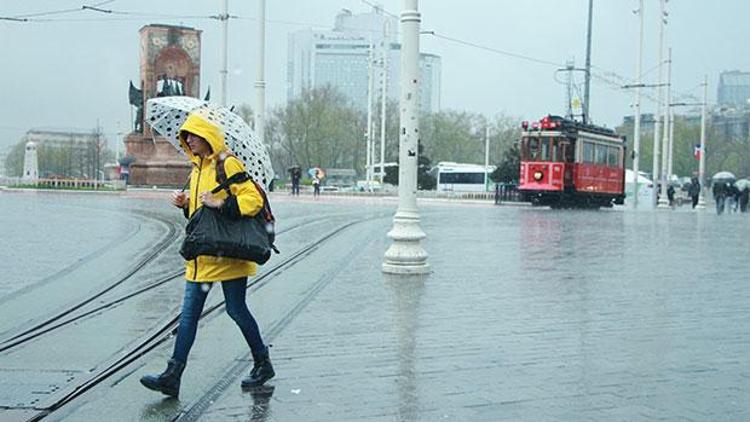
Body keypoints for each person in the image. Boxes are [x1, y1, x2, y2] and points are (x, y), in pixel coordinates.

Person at [140, 111, 274, 398]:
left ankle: (262, 363)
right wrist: (184, 203)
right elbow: (199, 213)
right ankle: (172, 376)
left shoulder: (227, 163)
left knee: (236, 311)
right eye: (185, 136)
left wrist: (219, 201)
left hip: (227, 255)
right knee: (189, 317)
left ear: (206, 136)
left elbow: (252, 201)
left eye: (192, 135)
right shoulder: (196, 168)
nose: (187, 139)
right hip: (202, 255)